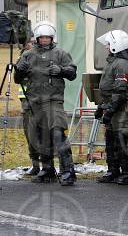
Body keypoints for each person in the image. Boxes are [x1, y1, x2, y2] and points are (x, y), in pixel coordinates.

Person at [14, 21, 77, 186]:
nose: (44, 40)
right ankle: (47, 169)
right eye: (41, 38)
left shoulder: (60, 53)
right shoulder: (28, 55)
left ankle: (68, 172)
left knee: (57, 134)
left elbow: (72, 73)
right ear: (37, 38)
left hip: (54, 101)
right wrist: (19, 70)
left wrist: (61, 70)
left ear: (52, 38)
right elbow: (17, 80)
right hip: (35, 102)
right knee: (42, 137)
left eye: (47, 38)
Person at [95, 30, 128, 185]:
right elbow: (108, 90)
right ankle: (112, 171)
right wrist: (101, 107)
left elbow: (119, 91)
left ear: (116, 45)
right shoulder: (113, 62)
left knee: (120, 141)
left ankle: (126, 173)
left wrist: (110, 111)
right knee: (110, 141)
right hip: (112, 106)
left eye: (109, 44)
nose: (106, 47)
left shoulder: (123, 64)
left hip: (121, 110)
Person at [17, 37, 40, 176]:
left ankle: (48, 166)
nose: (31, 44)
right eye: (30, 42)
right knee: (30, 134)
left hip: (42, 101)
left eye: (33, 42)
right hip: (26, 102)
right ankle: (35, 164)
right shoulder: (23, 59)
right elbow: (17, 78)